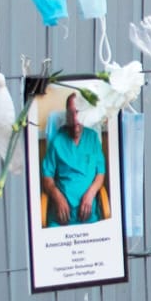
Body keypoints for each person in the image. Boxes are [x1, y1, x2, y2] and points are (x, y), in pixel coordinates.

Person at [39, 91, 107, 228]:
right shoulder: (57, 141)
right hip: (61, 218)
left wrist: (90, 194)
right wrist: (58, 197)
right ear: (66, 116)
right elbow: (47, 177)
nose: (75, 119)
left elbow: (100, 173)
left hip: (89, 218)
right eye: (71, 113)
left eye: (78, 112)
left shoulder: (93, 138)